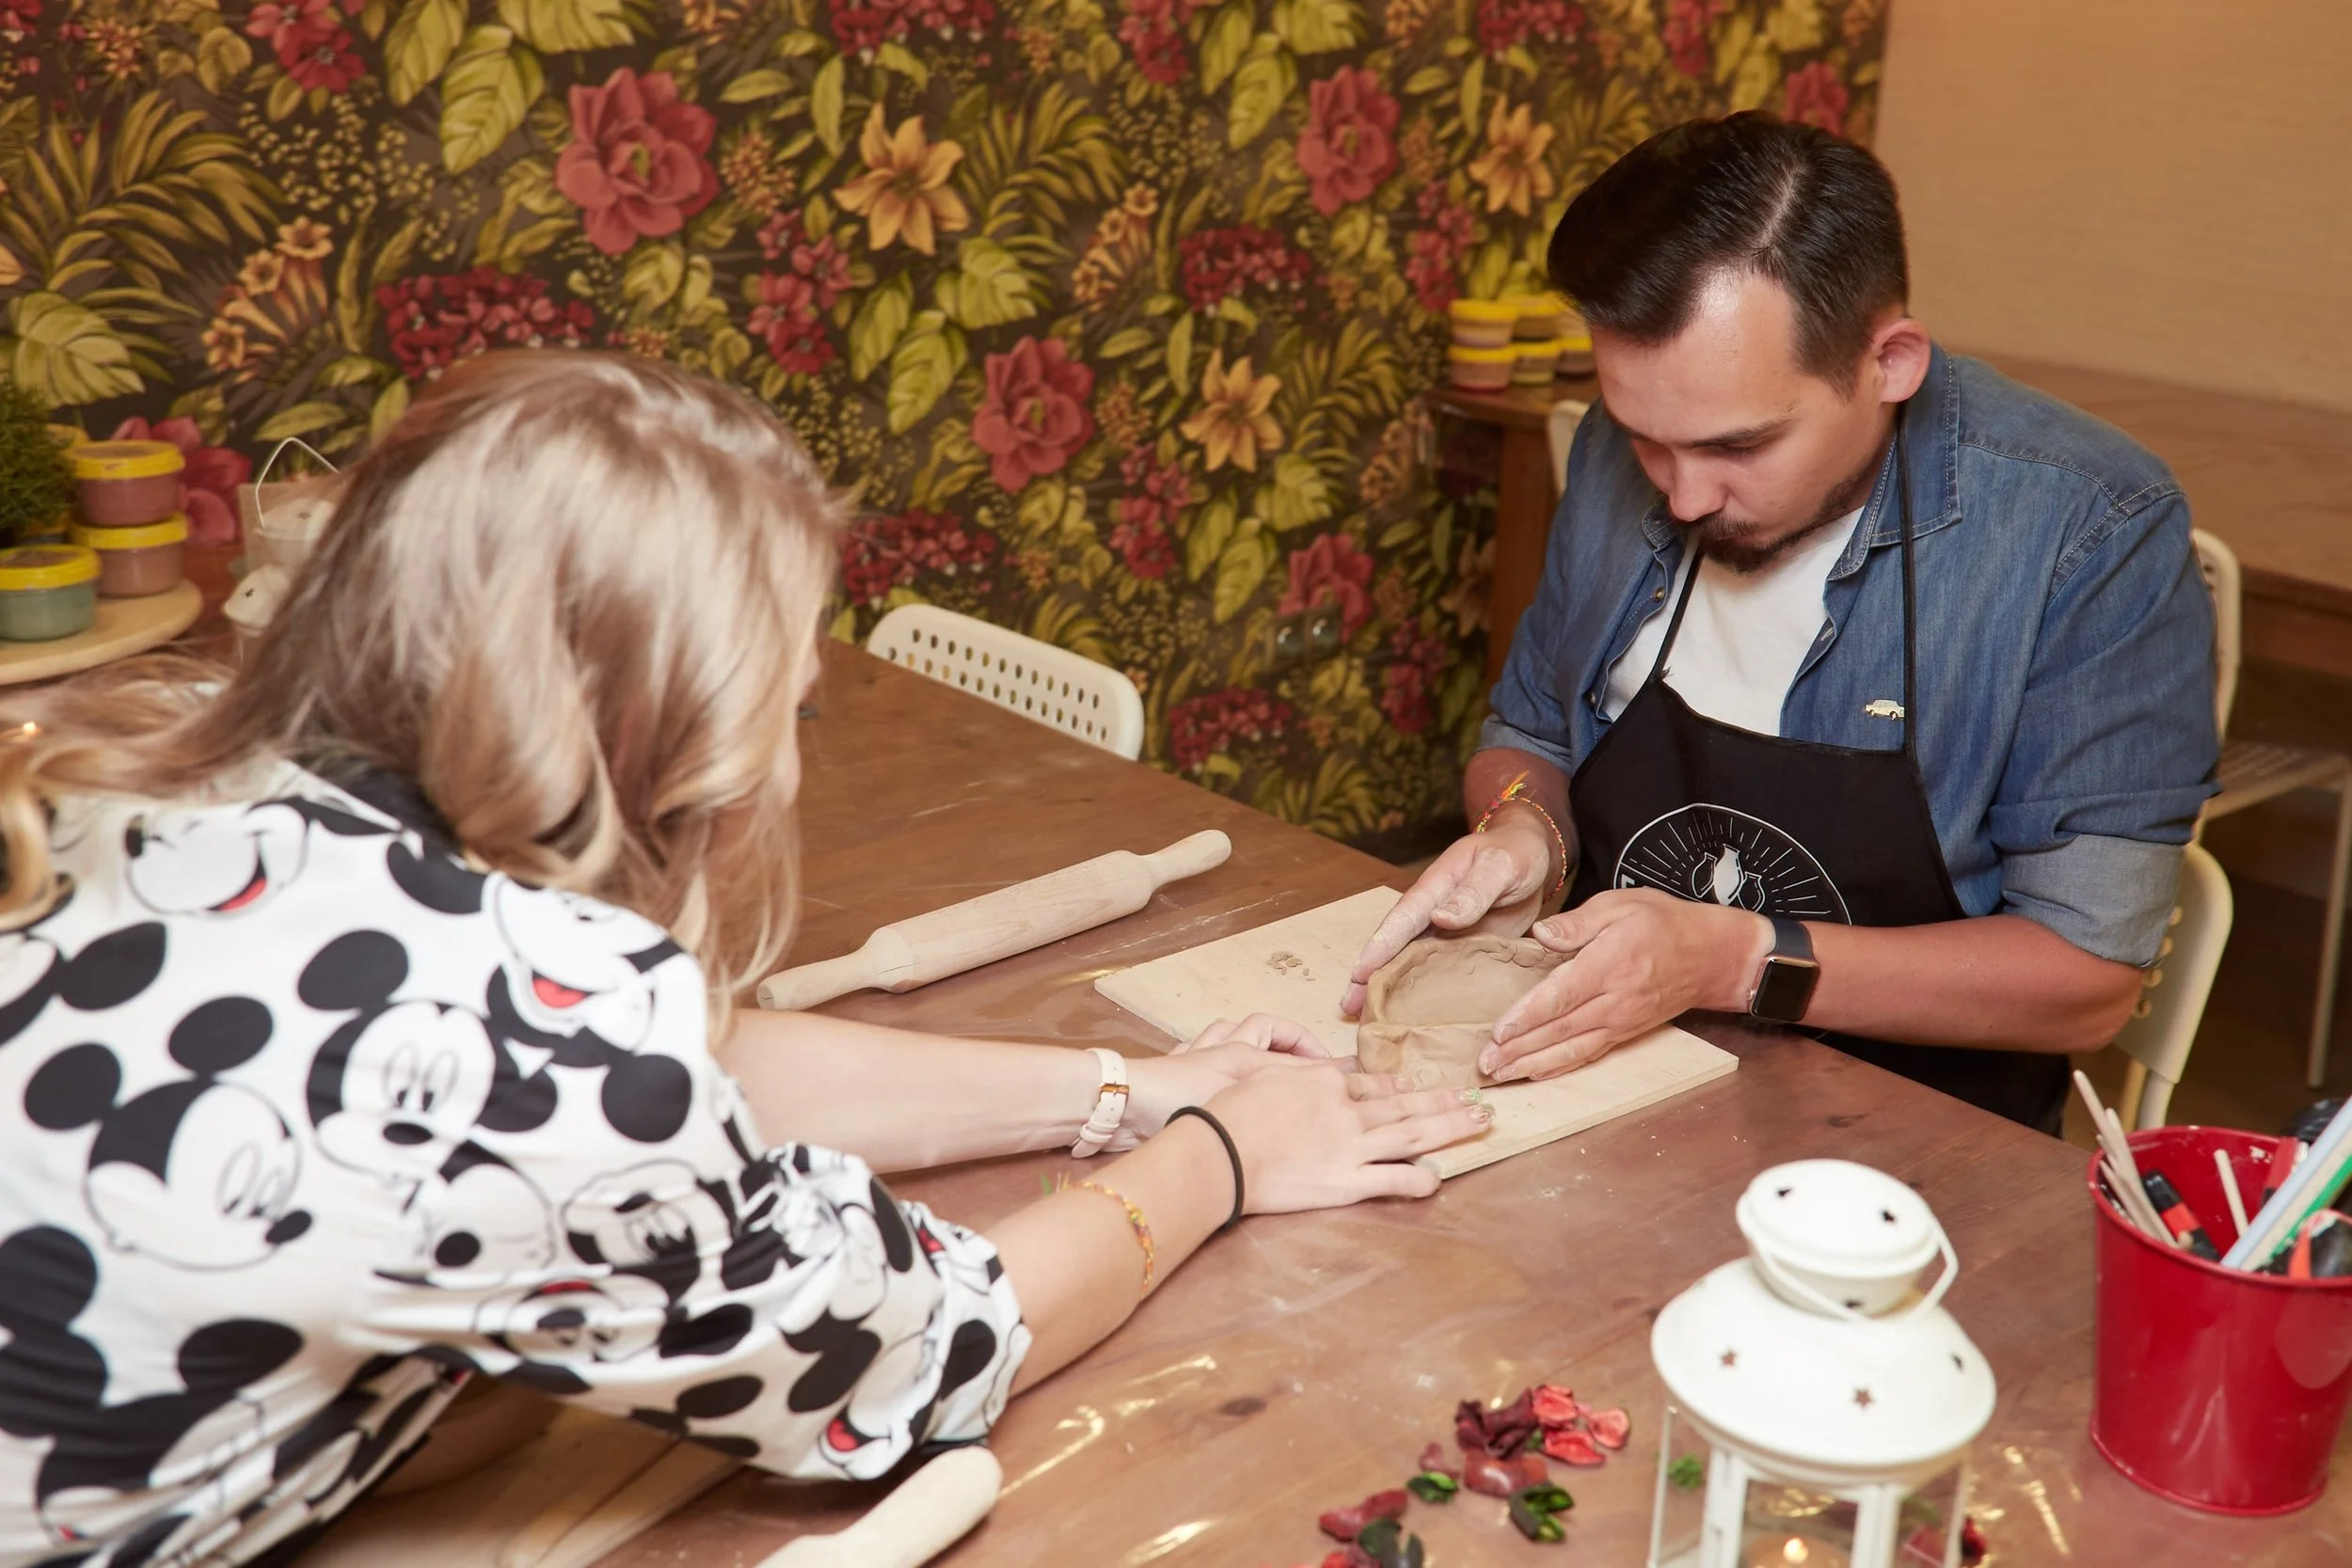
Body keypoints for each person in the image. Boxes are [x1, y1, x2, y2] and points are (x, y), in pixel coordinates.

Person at [0, 351, 1487, 1568]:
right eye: (788, 697)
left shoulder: (153, 768)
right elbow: (921, 1359)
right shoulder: (541, 1053)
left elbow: (701, 1061)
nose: (789, 749)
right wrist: (1222, 1158)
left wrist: (1125, 1085)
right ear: (663, 736)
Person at [1347, 113, 2217, 1133]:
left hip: (1905, 1138)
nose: (1679, 497)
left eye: (1736, 446)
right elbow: (1528, 736)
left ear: (1887, 362)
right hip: (1611, 1076)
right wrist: (1521, 832)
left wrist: (1730, 959)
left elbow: (2086, 977)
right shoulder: (1618, 454)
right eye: (1645, 440)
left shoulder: (2084, 531)